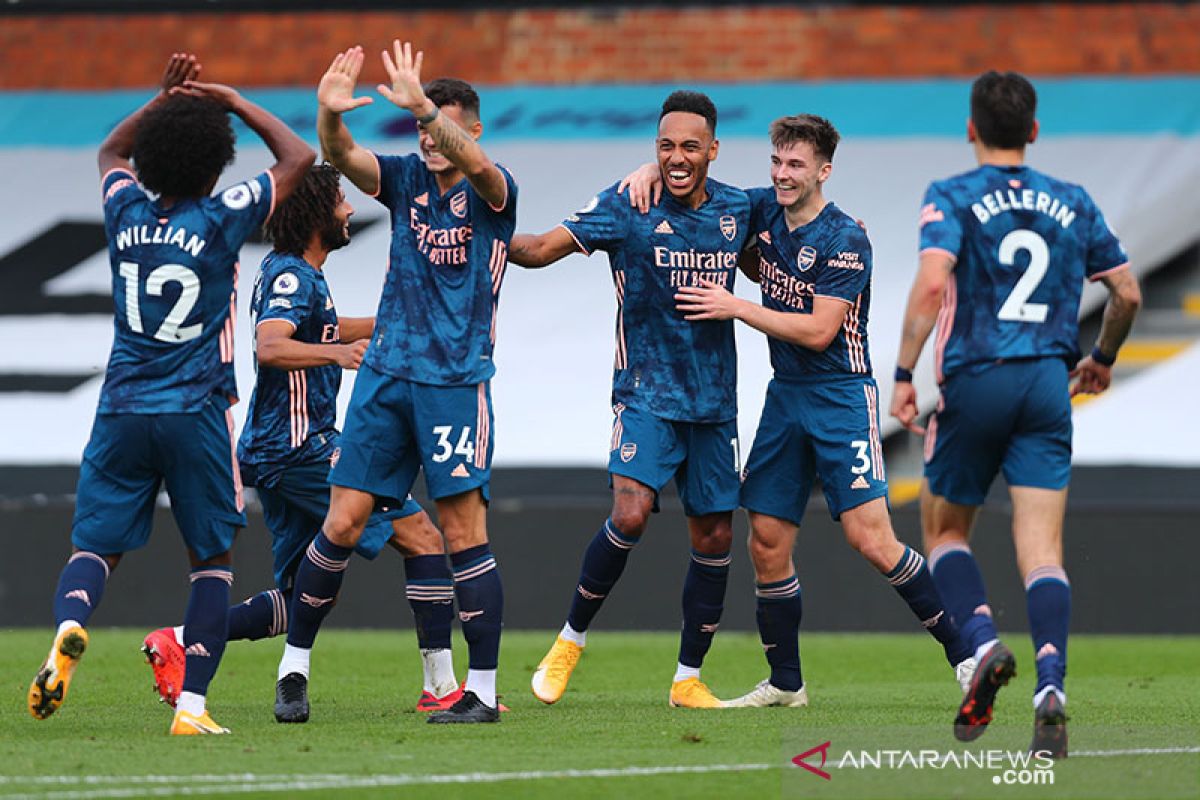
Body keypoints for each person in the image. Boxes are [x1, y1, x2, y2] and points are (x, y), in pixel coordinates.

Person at [627, 113, 977, 717]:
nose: (783, 174)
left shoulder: (846, 237)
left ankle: (968, 657)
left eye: (795, 165)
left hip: (841, 395)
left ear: (823, 170)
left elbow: (819, 330)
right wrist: (647, 170)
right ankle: (786, 682)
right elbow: (696, 181)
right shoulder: (761, 211)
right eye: (777, 162)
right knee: (765, 540)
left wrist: (735, 306)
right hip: (785, 396)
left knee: (871, 539)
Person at [27, 53, 314, 735]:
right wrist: (232, 98)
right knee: (211, 560)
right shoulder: (222, 215)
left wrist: (164, 102)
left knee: (95, 547)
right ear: (215, 164)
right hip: (196, 413)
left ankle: (70, 627)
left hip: (122, 406)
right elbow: (298, 157)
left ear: (150, 160)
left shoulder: (124, 208)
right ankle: (192, 707)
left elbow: (109, 148)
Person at [140, 165, 463, 724]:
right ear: (316, 212)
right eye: (340, 201)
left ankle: (179, 639)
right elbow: (271, 346)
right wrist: (338, 357)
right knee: (423, 535)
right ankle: (441, 686)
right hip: (300, 450)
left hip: (279, 453)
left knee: (303, 596)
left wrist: (398, 319)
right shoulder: (292, 278)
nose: (348, 210)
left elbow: (329, 329)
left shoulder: (298, 274)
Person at [889, 71, 1141, 757]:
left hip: (978, 377)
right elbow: (1126, 292)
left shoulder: (952, 195)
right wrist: (1103, 357)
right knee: (1043, 551)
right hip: (1046, 384)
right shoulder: (1073, 199)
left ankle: (982, 642)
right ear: (1033, 130)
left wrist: (906, 373)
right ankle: (1050, 685)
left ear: (971, 128)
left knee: (943, 531)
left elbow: (933, 283)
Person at [281, 42, 517, 724]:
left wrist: (422, 106)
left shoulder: (493, 190)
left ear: (471, 130)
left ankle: (482, 691)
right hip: (385, 375)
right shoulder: (406, 178)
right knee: (343, 520)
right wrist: (327, 117)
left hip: (452, 382)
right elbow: (342, 155)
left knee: (461, 530)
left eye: (440, 126)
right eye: (419, 127)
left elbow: (478, 166)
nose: (427, 139)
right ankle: (293, 670)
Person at [508, 90, 751, 709]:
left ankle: (687, 678)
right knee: (630, 513)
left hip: (714, 405)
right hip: (645, 394)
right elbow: (537, 251)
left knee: (717, 537)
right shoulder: (628, 202)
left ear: (713, 151)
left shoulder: (739, 209)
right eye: (665, 146)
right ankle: (569, 642)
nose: (676, 156)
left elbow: (794, 208)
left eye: (690, 146)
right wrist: (481, 226)